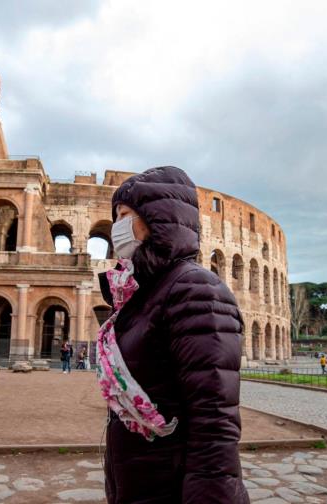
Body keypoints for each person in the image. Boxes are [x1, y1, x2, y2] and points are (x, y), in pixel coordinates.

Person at [98, 166, 248, 503]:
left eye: (124, 216)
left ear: (158, 219)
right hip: (144, 480)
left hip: (172, 485)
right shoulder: (141, 294)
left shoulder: (195, 290)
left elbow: (214, 420)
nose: (116, 227)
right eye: (115, 217)